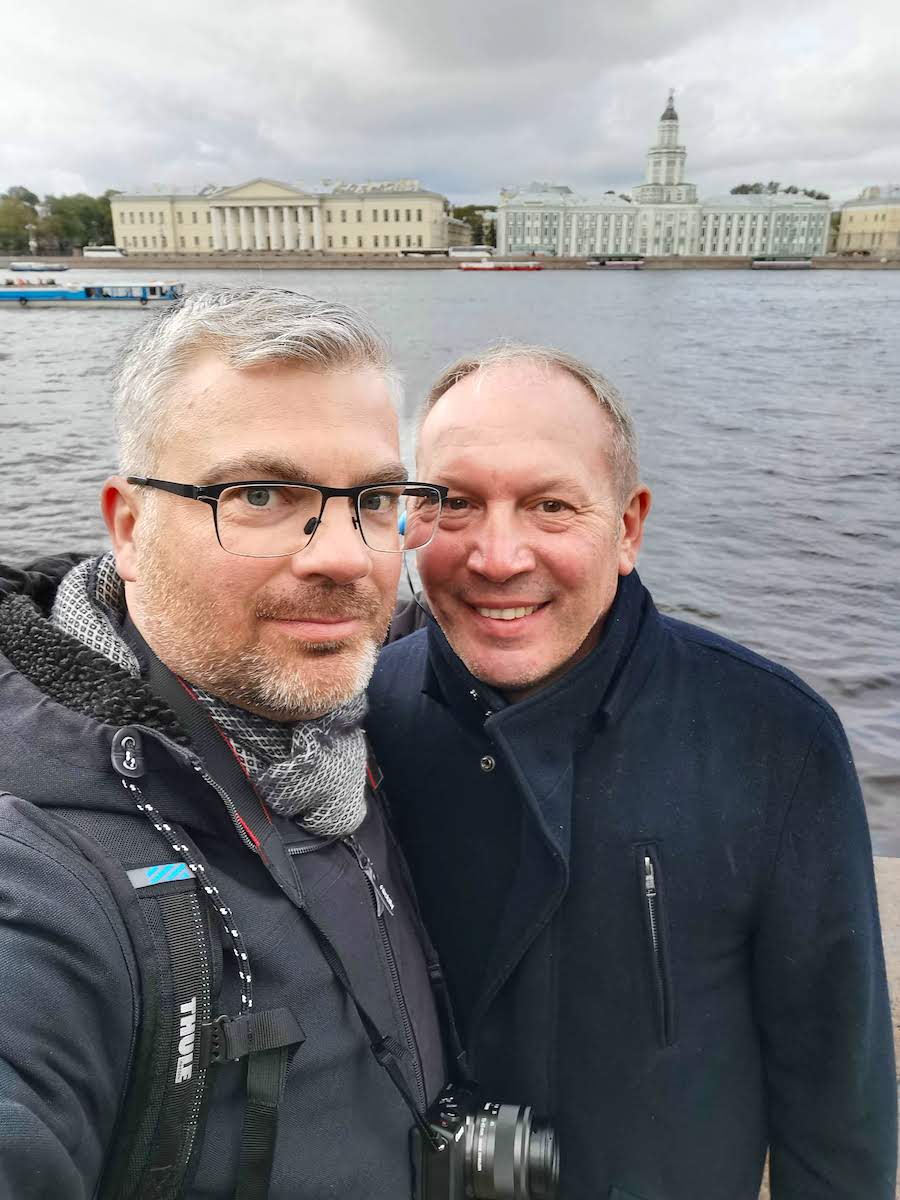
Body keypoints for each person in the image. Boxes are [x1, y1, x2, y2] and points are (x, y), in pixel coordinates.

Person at [367, 344, 897, 1199]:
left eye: (550, 505)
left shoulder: (772, 735)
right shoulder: (368, 712)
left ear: (628, 527)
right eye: (456, 503)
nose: (498, 558)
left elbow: (835, 1087)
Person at [0, 288, 449, 1199]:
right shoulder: (42, 866)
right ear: (129, 527)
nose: (343, 557)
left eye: (372, 498)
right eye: (258, 495)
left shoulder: (372, 717)